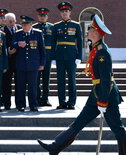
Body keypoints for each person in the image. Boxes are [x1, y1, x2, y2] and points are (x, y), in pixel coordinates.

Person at [37, 14, 126, 155]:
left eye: (90, 29)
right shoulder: (96, 47)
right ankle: (55, 147)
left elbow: (106, 79)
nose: (88, 31)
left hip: (106, 94)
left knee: (117, 128)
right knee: (79, 122)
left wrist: (103, 101)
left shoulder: (102, 52)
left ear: (96, 33)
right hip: (96, 92)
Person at [51, 2, 83, 110]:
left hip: (71, 56)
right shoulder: (56, 26)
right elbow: (53, 42)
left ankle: (72, 102)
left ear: (70, 12)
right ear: (60, 13)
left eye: (66, 11)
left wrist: (79, 56)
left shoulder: (76, 25)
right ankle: (62, 102)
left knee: (72, 80)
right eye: (63, 11)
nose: (65, 13)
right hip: (60, 56)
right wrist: (53, 57)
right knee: (60, 80)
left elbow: (80, 41)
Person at [12, 15, 45, 112]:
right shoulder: (18, 33)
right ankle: (21, 105)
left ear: (31, 24)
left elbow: (42, 50)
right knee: (20, 86)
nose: (24, 26)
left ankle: (33, 105)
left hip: (33, 64)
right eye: (22, 24)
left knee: (33, 86)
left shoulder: (37, 33)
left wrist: (42, 64)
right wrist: (18, 44)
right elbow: (12, 44)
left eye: (26, 24)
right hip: (21, 64)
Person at [0, 13, 22, 110]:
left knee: (19, 84)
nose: (12, 23)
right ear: (5, 22)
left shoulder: (20, 29)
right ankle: (6, 104)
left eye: (13, 21)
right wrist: (7, 51)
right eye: (10, 21)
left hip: (18, 61)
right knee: (6, 84)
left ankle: (19, 104)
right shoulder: (1, 31)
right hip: (7, 61)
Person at [33, 8, 54, 107]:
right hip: (37, 58)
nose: (42, 17)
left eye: (44, 15)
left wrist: (54, 56)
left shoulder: (52, 27)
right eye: (41, 15)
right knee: (36, 79)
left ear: (47, 16)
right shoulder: (34, 27)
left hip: (48, 57)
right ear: (38, 17)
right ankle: (37, 99)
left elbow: (55, 43)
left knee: (46, 79)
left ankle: (45, 99)